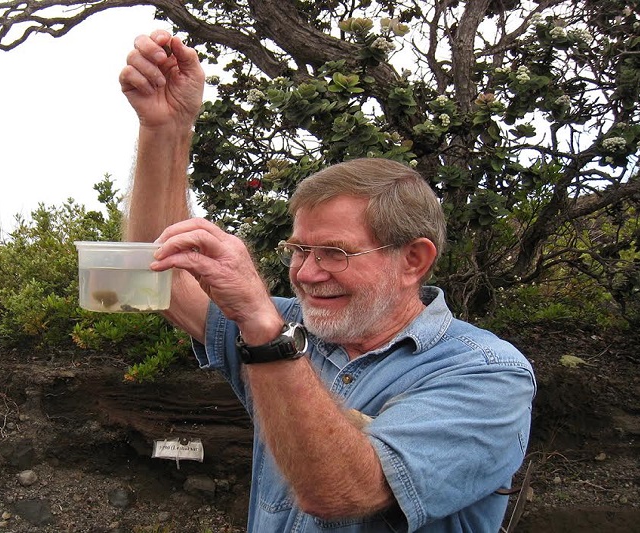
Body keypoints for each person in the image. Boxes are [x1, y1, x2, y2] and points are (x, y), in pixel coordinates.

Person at [118, 29, 536, 533]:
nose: (307, 274)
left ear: (414, 259)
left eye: (334, 253)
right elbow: (154, 277)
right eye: (300, 250)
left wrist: (264, 333)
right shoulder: (289, 325)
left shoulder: (486, 373)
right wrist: (167, 128)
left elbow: (346, 490)